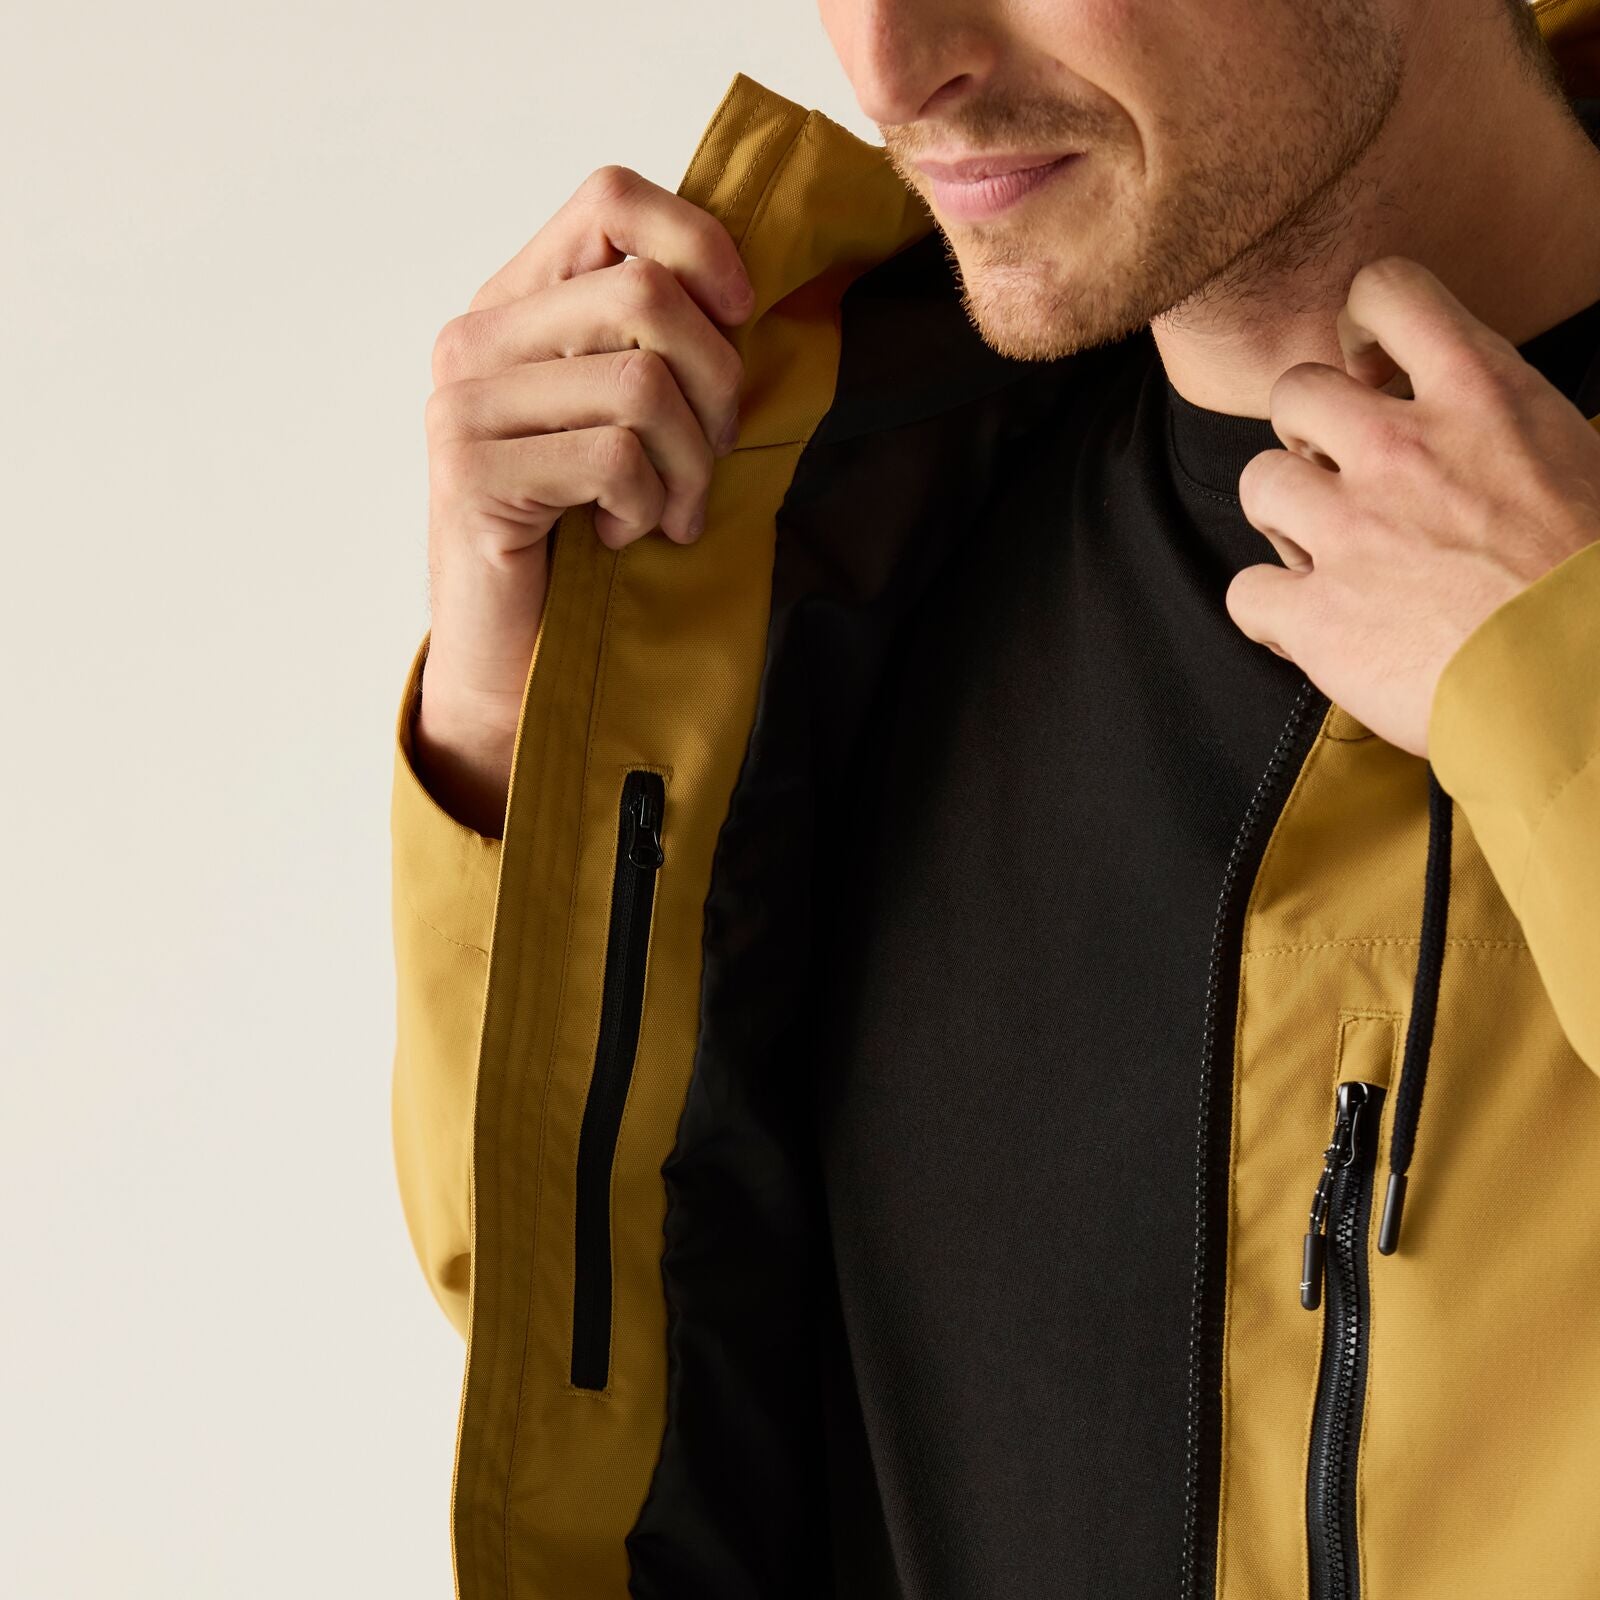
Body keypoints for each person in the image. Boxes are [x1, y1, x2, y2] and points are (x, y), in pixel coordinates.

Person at [389, 2, 1600, 1595]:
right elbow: (611, 1379)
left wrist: (1563, 684)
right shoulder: (831, 535)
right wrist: (517, 723)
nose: (889, 69)